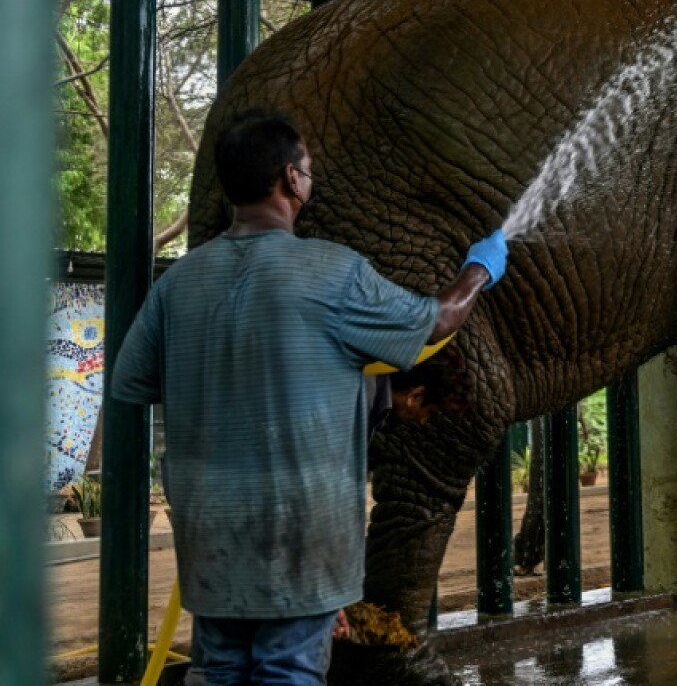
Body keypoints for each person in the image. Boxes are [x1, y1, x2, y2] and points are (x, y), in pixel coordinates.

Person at [110, 108, 508, 686]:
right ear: (292, 180)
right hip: (302, 535)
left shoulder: (178, 284)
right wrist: (479, 269)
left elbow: (134, 381)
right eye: (309, 169)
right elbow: (437, 322)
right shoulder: (333, 272)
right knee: (288, 672)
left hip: (211, 533)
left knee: (217, 670)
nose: (310, 179)